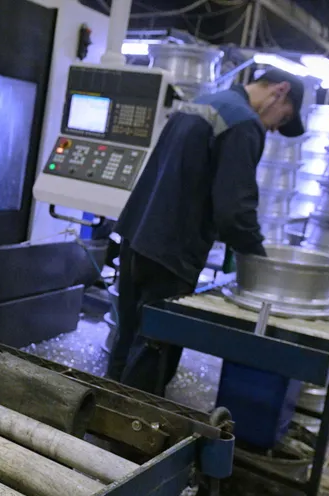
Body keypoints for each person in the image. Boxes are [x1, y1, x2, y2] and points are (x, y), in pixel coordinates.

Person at [106, 68, 306, 395]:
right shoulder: (243, 124)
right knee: (153, 354)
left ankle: (102, 413)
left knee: (126, 340)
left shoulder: (203, 102)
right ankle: (132, 424)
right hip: (171, 253)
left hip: (135, 235)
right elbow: (235, 210)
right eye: (282, 119)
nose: (273, 128)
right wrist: (262, 268)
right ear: (279, 90)